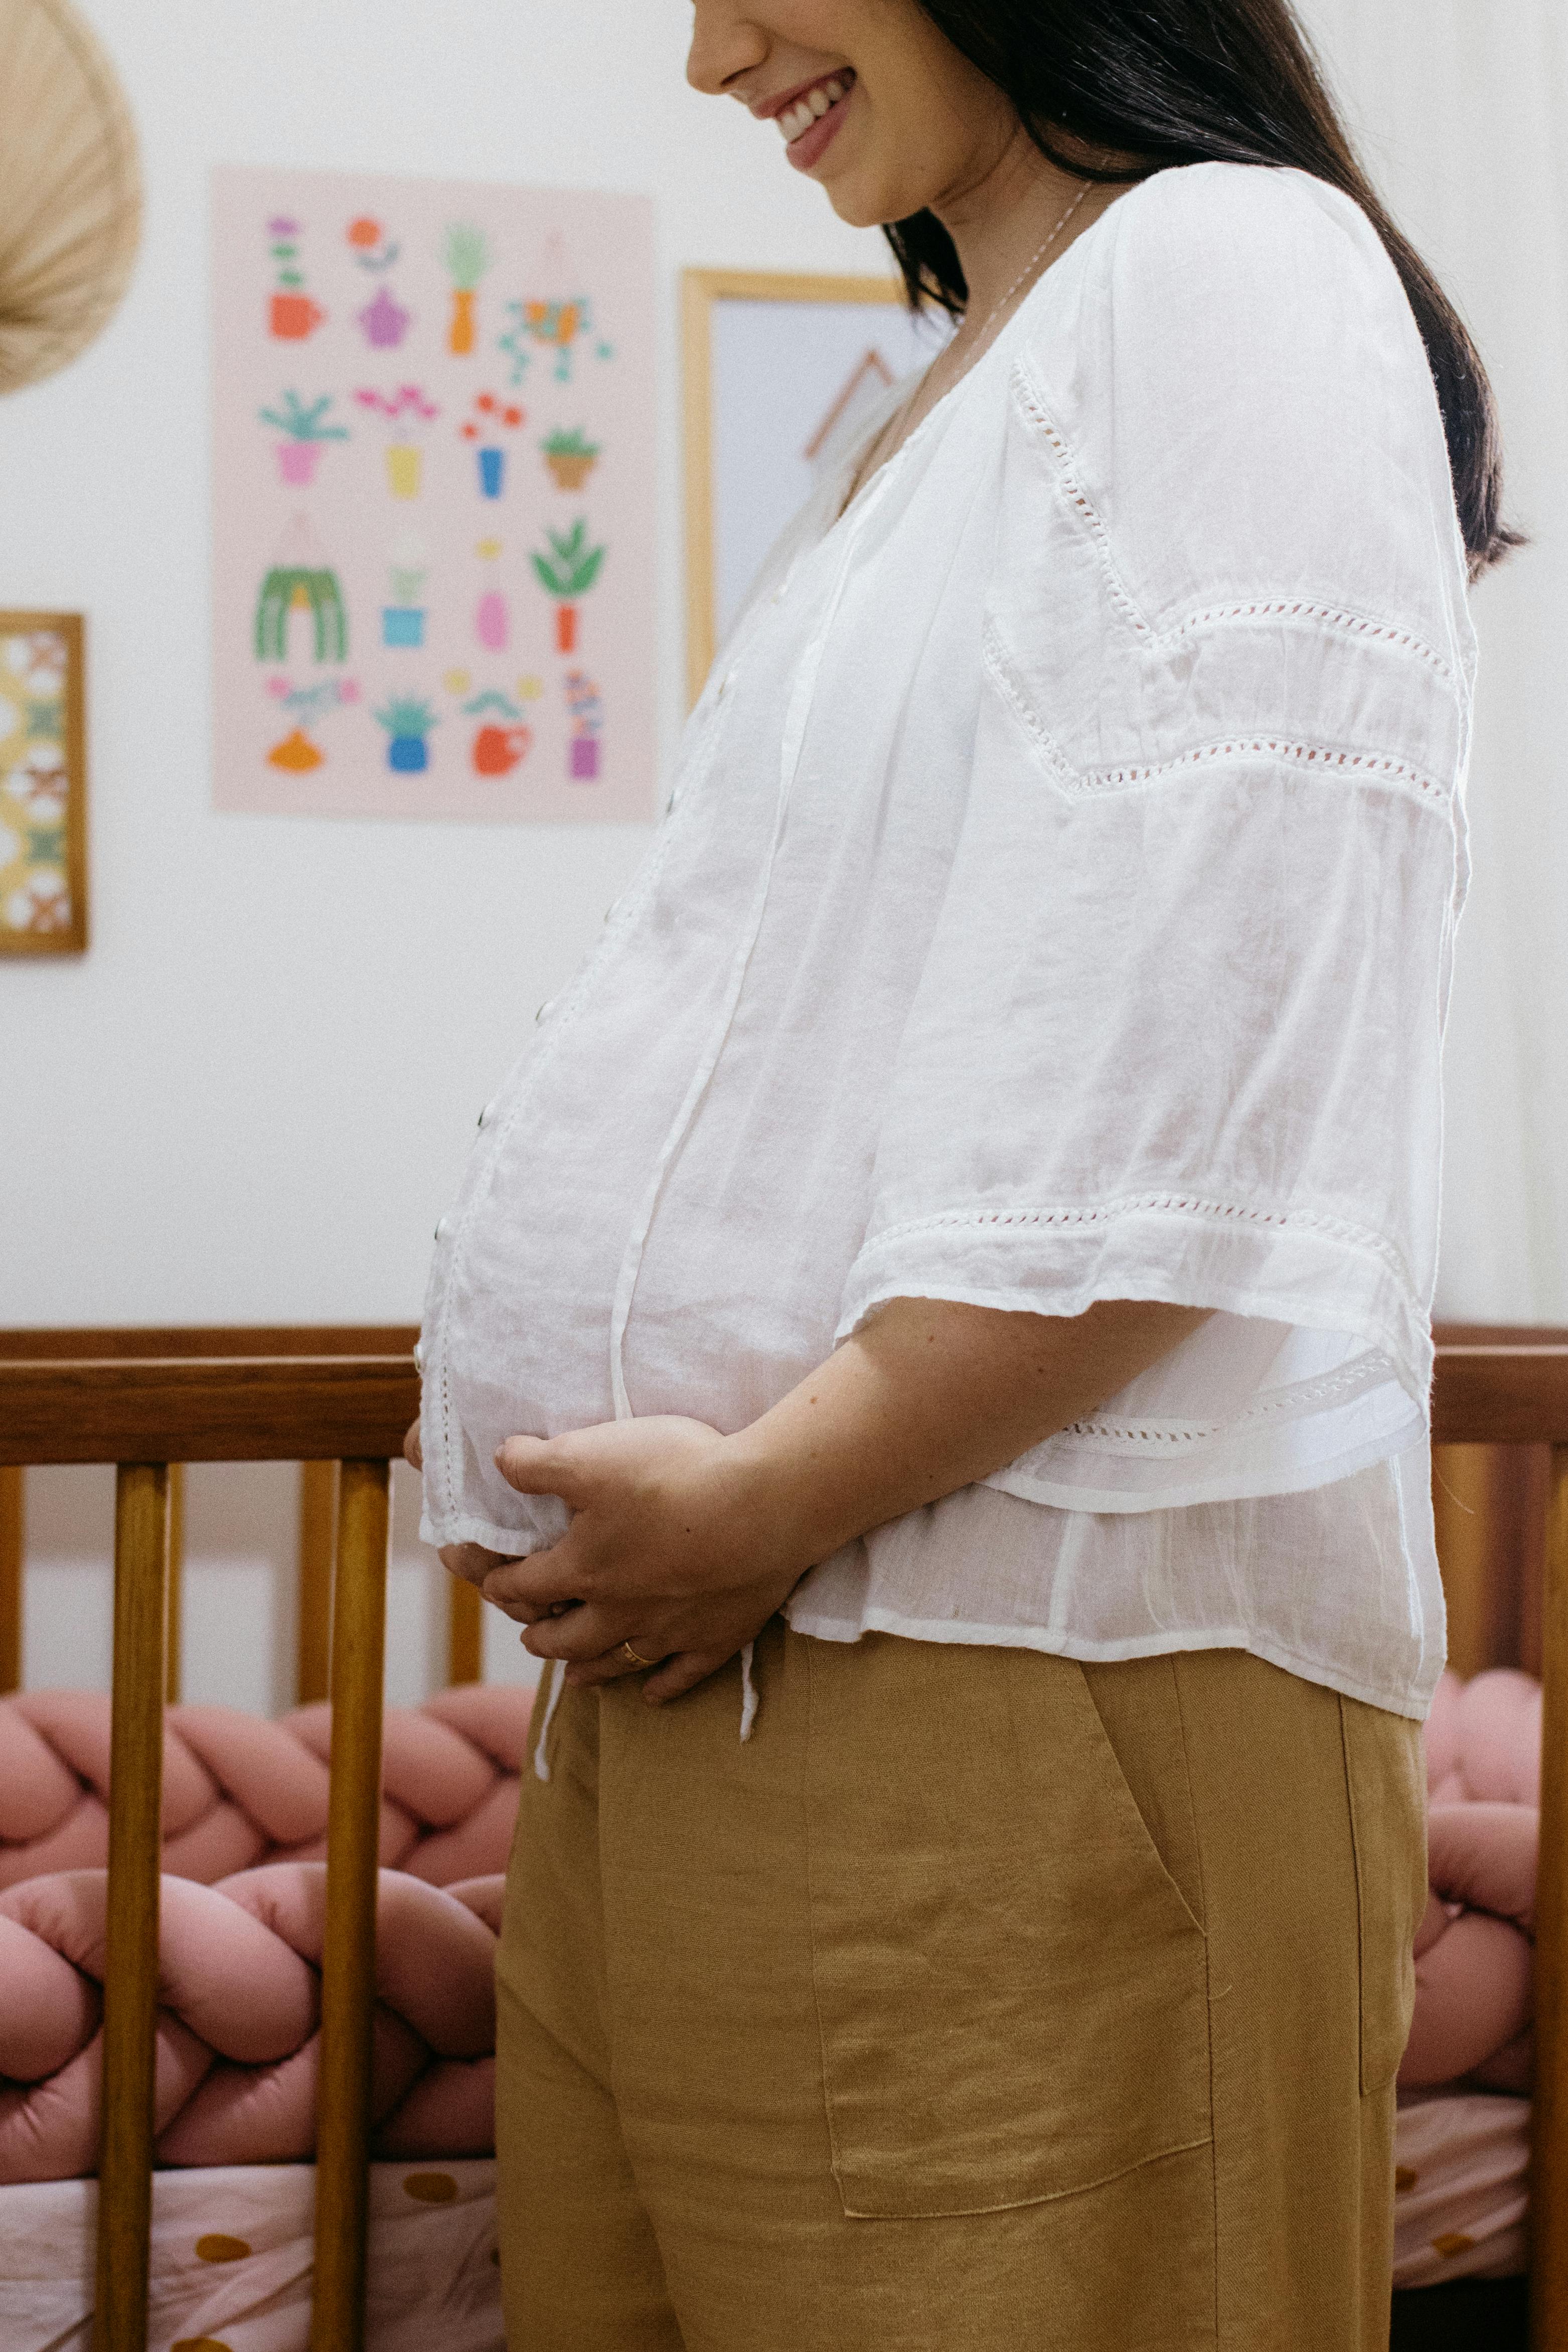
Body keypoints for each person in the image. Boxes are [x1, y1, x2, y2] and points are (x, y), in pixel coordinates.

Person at [410, 1, 1513, 2340]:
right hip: (741, 1658)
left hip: (1007, 1664)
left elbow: (1181, 1055)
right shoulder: (970, 381)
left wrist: (768, 1499)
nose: (710, 57)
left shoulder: (1227, 268)